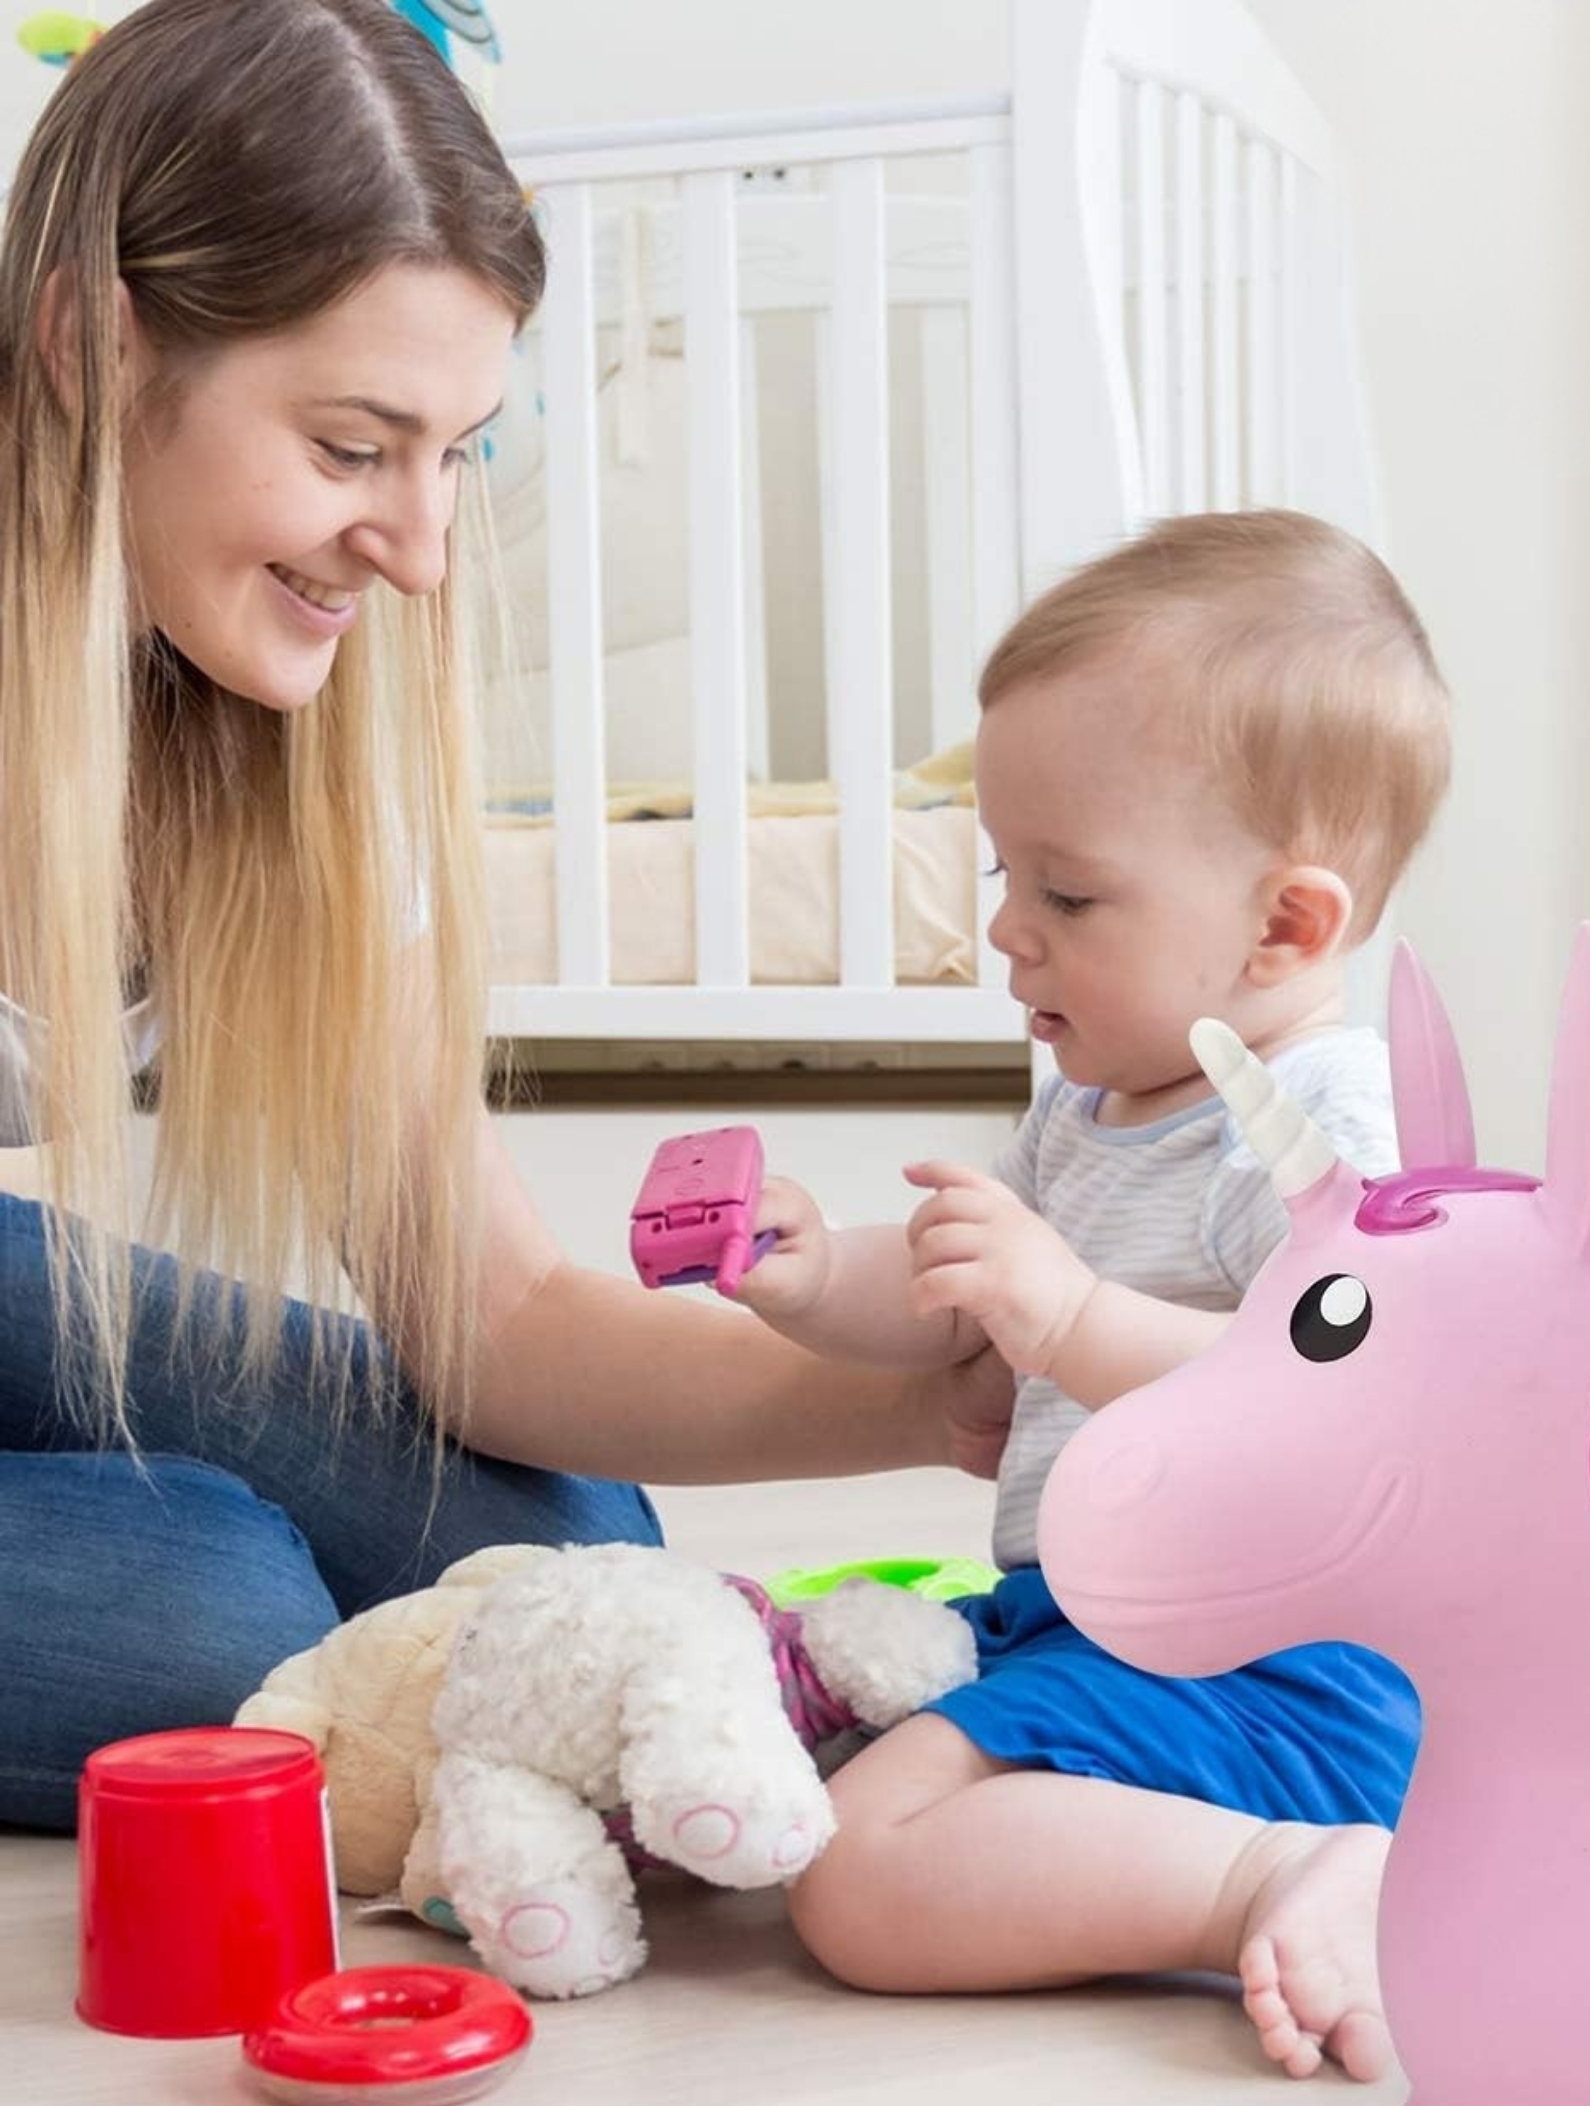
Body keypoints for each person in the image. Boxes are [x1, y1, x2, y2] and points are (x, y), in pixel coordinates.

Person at [0, 0, 1003, 1835]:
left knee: (565, 1548)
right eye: (351, 446)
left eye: (455, 451)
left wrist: (950, 1386)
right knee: (212, 1609)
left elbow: (503, 1323)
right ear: (89, 346)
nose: (421, 548)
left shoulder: (277, 744)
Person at [729, 510, 1452, 2079]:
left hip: (1271, 1661)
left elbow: (1338, 1399)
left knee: (853, 1872)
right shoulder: (1097, 1106)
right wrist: (816, 1273)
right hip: (1099, 1620)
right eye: (1007, 873)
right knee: (792, 1747)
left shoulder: (1311, 1125)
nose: (1006, 928)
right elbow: (954, 1298)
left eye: (1066, 893)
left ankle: (1280, 1874)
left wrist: (1070, 1322)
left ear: (1285, 925)